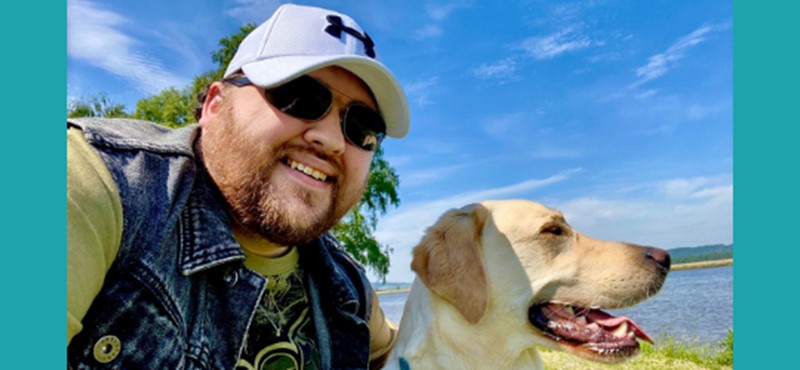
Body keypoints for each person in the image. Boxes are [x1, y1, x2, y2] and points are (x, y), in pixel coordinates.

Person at [67, 4, 409, 369]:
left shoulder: (347, 289)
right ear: (215, 105)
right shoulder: (100, 181)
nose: (332, 140)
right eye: (300, 96)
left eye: (362, 127)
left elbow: (409, 352)